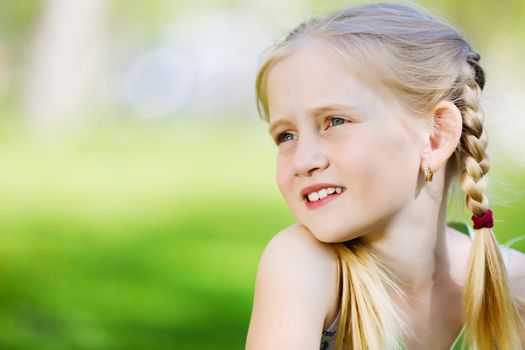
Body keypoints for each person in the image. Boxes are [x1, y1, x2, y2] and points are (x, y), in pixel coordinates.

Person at [245, 3, 525, 350]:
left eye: (335, 121)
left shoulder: (514, 285)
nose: (303, 161)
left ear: (435, 136)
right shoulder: (304, 265)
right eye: (286, 136)